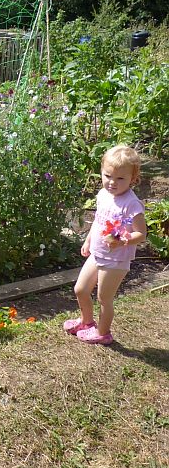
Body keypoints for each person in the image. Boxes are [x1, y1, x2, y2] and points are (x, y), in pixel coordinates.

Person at [64, 145, 146, 345]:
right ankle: (86, 322)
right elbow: (99, 221)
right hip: (97, 253)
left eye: (120, 178)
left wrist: (124, 241)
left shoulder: (132, 204)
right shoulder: (102, 195)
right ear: (101, 172)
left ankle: (102, 333)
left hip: (116, 260)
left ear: (133, 179)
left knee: (104, 298)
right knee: (80, 289)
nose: (112, 182)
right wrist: (88, 240)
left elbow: (141, 234)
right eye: (108, 176)